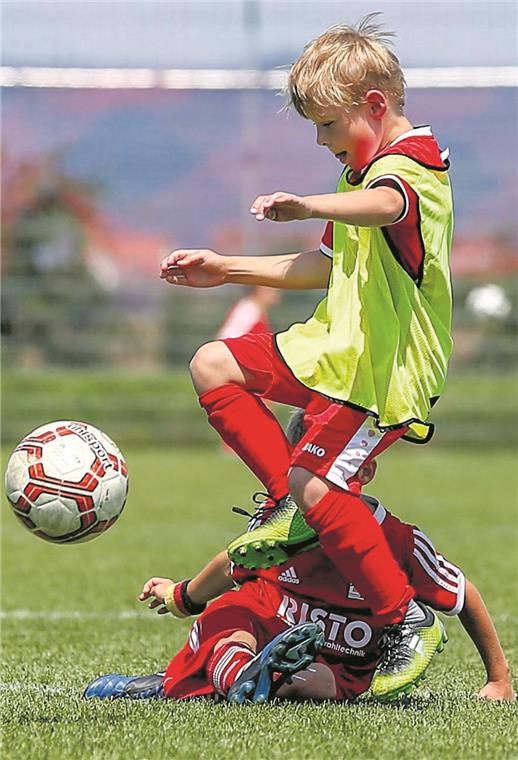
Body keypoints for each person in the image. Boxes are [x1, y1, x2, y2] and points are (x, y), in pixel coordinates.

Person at [159, 15, 454, 695]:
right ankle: (284, 506)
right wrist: (223, 268)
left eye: (327, 125)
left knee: (319, 485)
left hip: (380, 367)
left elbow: (386, 207)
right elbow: (322, 263)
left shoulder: (415, 165)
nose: (321, 142)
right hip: (332, 347)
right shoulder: (362, 170)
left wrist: (303, 204)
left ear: (374, 107)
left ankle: (405, 618)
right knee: (214, 365)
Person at [83, 454, 514, 704]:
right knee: (229, 619)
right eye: (303, 471)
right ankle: (243, 676)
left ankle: (237, 679)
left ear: (366, 471)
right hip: (264, 625)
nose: (312, 488)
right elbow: (232, 566)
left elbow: (463, 595)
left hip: (334, 659)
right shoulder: (280, 528)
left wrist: (500, 680)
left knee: (317, 683)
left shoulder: (398, 543)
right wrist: (182, 596)